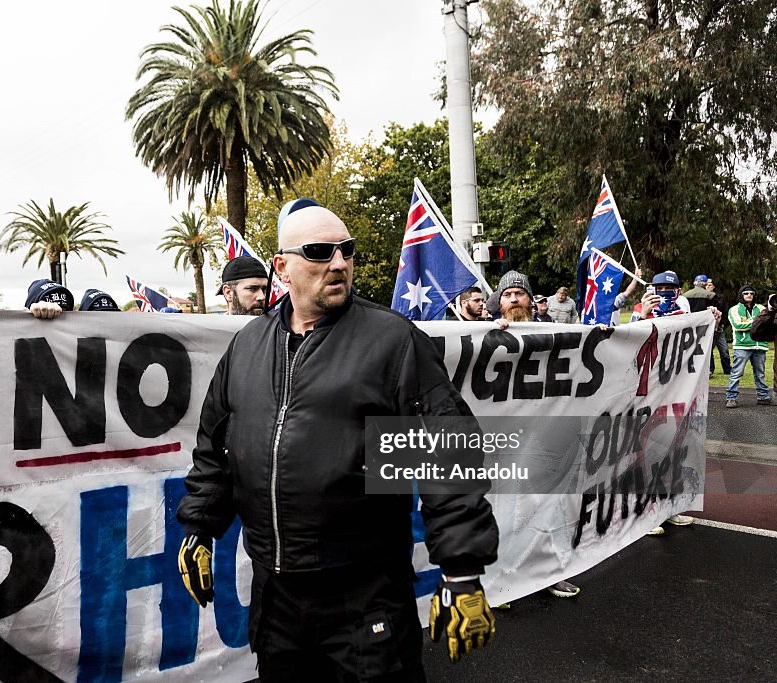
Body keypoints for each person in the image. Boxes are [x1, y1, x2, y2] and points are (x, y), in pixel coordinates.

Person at [176, 204, 498, 679]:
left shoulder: (391, 341)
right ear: (281, 267)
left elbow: (447, 454)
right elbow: (218, 448)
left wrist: (462, 572)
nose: (339, 262)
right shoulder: (246, 347)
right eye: (319, 252)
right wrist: (200, 525)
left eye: (346, 250)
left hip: (365, 596)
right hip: (277, 599)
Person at [489, 270, 582, 598]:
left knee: (551, 505)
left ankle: (556, 570)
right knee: (504, 505)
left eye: (520, 293)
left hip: (546, 435)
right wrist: (491, 336)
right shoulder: (485, 333)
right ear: (499, 302)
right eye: (507, 295)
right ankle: (500, 575)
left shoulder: (556, 332)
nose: (514, 299)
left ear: (531, 299)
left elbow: (597, 343)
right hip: (503, 439)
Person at [639, 270, 719, 532]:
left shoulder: (685, 316)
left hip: (677, 392)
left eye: (669, 289)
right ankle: (645, 513)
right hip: (650, 394)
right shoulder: (642, 312)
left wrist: (712, 322)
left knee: (675, 449)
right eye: (659, 288)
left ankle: (668, 508)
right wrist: (642, 317)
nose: (664, 293)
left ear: (678, 291)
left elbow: (700, 344)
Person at [725, 285, 771, 409]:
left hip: (760, 345)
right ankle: (731, 398)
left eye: (752, 293)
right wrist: (758, 322)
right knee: (737, 372)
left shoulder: (761, 308)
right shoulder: (733, 309)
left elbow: (767, 323)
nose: (749, 295)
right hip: (742, 346)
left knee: (760, 373)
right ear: (741, 295)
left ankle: (763, 396)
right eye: (746, 293)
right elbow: (738, 325)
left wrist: (757, 323)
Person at [705, 278, 732, 375]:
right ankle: (710, 370)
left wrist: (723, 324)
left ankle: (727, 369)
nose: (708, 286)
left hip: (719, 328)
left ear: (714, 286)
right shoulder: (702, 299)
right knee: (708, 351)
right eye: (706, 285)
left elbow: (725, 311)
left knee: (724, 349)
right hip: (706, 329)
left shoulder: (720, 298)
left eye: (710, 284)